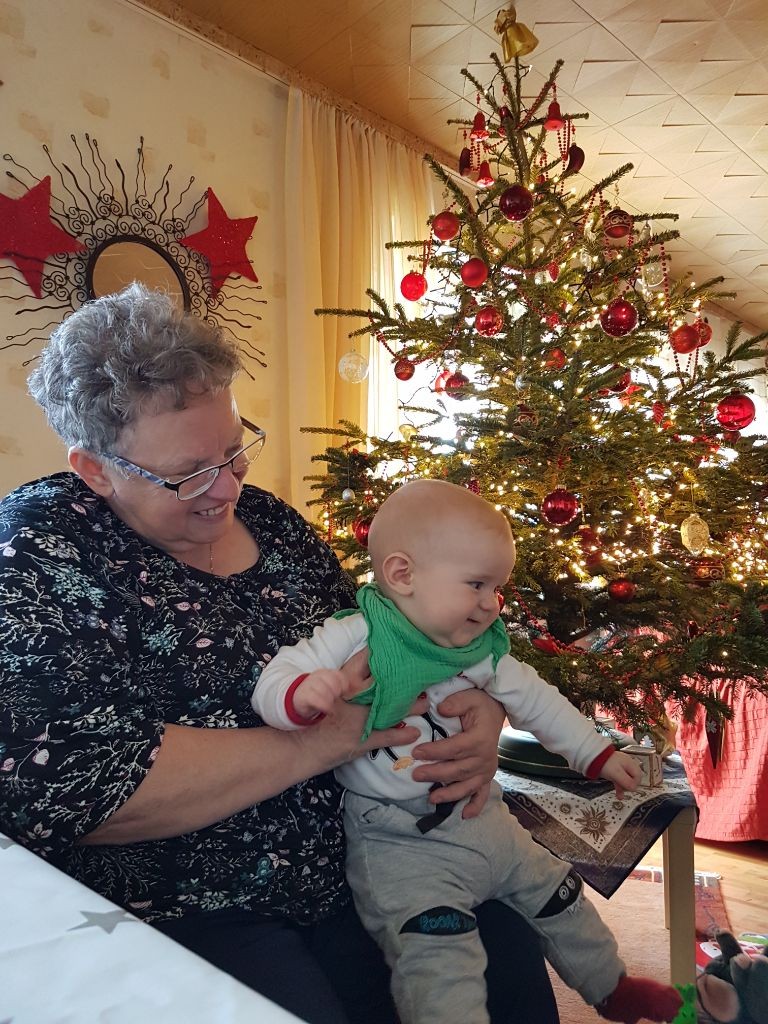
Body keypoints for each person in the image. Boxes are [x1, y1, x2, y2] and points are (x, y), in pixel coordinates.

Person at [0, 283, 562, 1024]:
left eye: (235, 450)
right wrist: (325, 741)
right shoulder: (37, 551)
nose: (225, 487)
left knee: (506, 955)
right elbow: (70, 787)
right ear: (96, 469)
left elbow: (394, 635)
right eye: (189, 472)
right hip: (187, 904)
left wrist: (479, 711)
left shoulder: (271, 522)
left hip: (368, 848)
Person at [253, 479, 685, 1024]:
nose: (491, 604)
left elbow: (536, 700)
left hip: (486, 821)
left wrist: (594, 754)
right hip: (397, 840)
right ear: (402, 575)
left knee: (560, 894)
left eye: (496, 588)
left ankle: (611, 987)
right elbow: (277, 677)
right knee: (435, 954)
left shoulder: (478, 648)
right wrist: (302, 695)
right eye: (477, 584)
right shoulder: (357, 634)